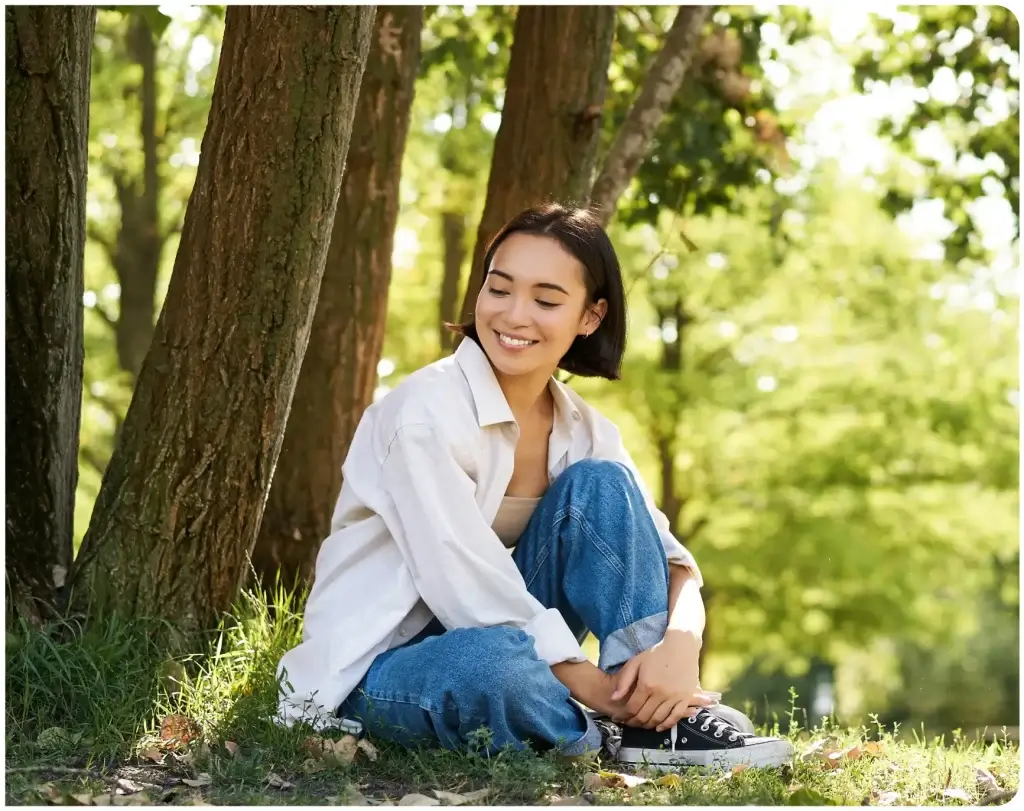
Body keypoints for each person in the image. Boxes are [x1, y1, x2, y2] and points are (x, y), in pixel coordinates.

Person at [276, 203, 793, 769]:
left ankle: (656, 723)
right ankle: (620, 726)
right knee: (494, 669)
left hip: (515, 639)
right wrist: (601, 691)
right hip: (378, 666)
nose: (515, 316)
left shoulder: (585, 429)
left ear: (590, 318)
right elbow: (466, 587)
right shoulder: (424, 414)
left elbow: (670, 562)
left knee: (602, 485)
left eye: (547, 301)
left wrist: (679, 649)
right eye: (499, 290)